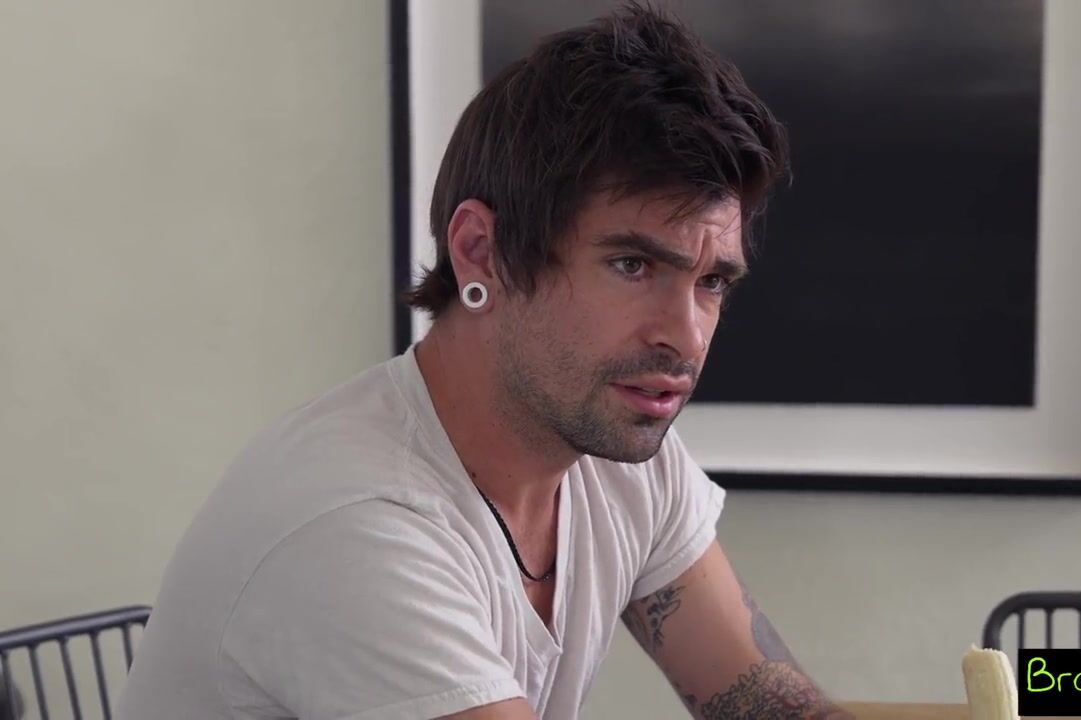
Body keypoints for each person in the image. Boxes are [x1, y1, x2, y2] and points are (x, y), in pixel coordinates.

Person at [118, 2, 853, 718]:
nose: (685, 337)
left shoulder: (617, 446)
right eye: (632, 265)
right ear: (481, 252)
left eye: (712, 282)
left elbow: (767, 705)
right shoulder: (357, 522)